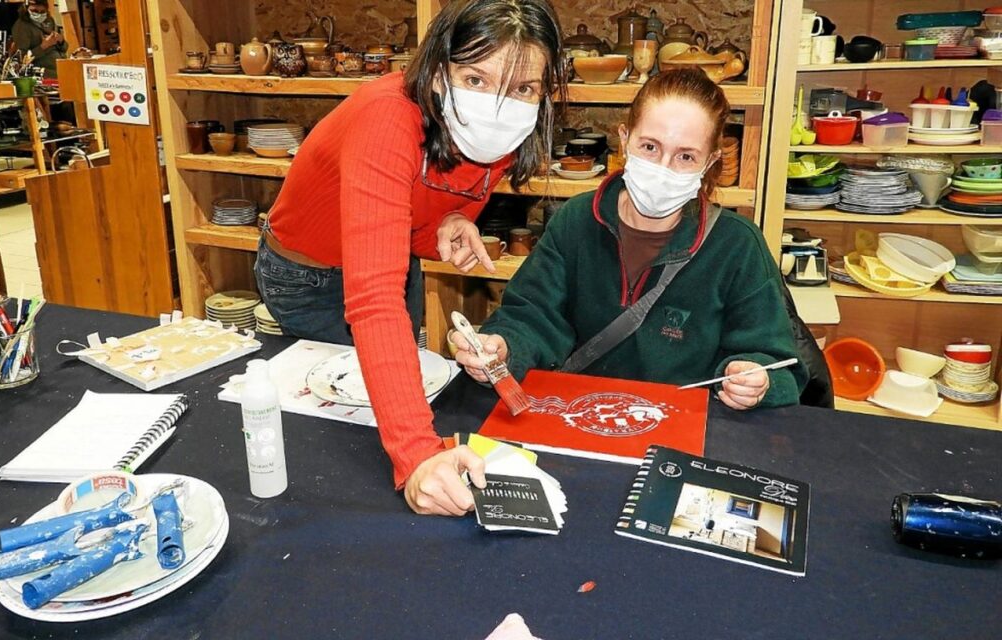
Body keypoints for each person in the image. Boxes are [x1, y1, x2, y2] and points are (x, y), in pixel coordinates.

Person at [255, 0, 566, 516]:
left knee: (402, 391)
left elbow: (411, 221)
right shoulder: (387, 115)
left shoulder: (506, 131)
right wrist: (419, 455)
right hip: (309, 276)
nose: (498, 105)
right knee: (340, 426)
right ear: (440, 72)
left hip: (392, 261)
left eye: (523, 88)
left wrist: (447, 221)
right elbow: (374, 297)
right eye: (476, 78)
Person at [452, 67, 808, 410]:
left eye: (686, 156)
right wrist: (503, 348)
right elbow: (531, 316)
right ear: (624, 139)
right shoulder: (576, 220)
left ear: (711, 161)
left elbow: (776, 361)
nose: (663, 168)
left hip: (684, 425)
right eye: (650, 147)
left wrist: (757, 381)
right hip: (580, 413)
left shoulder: (737, 245)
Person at [11, 1, 67, 78]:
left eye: (42, 12)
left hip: (60, 67)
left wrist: (61, 41)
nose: (39, 14)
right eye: (35, 11)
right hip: (42, 73)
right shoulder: (21, 27)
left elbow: (64, 48)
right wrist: (43, 46)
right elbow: (22, 59)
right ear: (26, 9)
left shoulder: (49, 21)